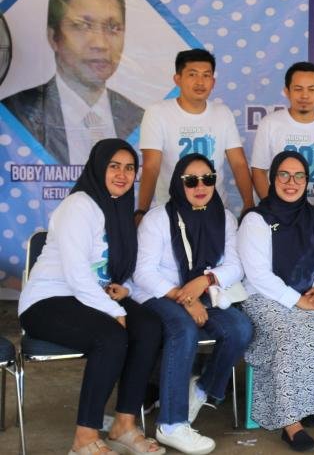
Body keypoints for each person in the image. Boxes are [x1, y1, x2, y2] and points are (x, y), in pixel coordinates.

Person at [18, 139, 163, 455]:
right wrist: (114, 310)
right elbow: (76, 274)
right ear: (98, 167)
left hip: (91, 296)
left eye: (129, 168)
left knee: (150, 327)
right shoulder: (79, 206)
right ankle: (84, 439)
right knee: (111, 337)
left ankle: (124, 425)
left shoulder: (120, 206)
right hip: (48, 300)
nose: (122, 175)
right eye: (114, 166)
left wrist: (123, 291)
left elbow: (118, 265)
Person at [135, 153, 253, 455]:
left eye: (208, 179)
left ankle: (201, 389)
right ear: (179, 183)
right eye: (191, 180)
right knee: (183, 329)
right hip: (158, 294)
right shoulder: (157, 219)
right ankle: (171, 424)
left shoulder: (224, 218)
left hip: (203, 293)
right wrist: (184, 297)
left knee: (240, 328)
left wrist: (205, 280)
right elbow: (143, 273)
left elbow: (235, 266)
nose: (200, 186)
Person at [239, 150, 314, 451]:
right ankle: (290, 424)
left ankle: (312, 403)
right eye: (284, 175)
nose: (292, 182)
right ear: (273, 179)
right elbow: (258, 274)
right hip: (264, 296)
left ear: (307, 180)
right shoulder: (257, 219)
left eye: (299, 176)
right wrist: (297, 300)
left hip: (307, 292)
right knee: (290, 334)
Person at [2, 0, 142, 165]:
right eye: (82, 26)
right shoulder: (13, 116)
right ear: (53, 37)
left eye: (113, 28)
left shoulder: (141, 119)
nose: (100, 44)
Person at [137, 49, 254, 221]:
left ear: (213, 82)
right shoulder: (157, 113)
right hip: (172, 212)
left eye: (206, 75)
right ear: (177, 79)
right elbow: (151, 167)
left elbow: (239, 163)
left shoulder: (223, 113)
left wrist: (249, 204)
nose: (200, 82)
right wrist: (142, 211)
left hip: (216, 210)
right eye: (192, 75)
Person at [250, 62, 314, 207]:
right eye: (298, 89)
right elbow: (258, 171)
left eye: (311, 89)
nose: (305, 95)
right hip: (277, 211)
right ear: (287, 91)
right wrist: (273, 209)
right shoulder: (269, 124)